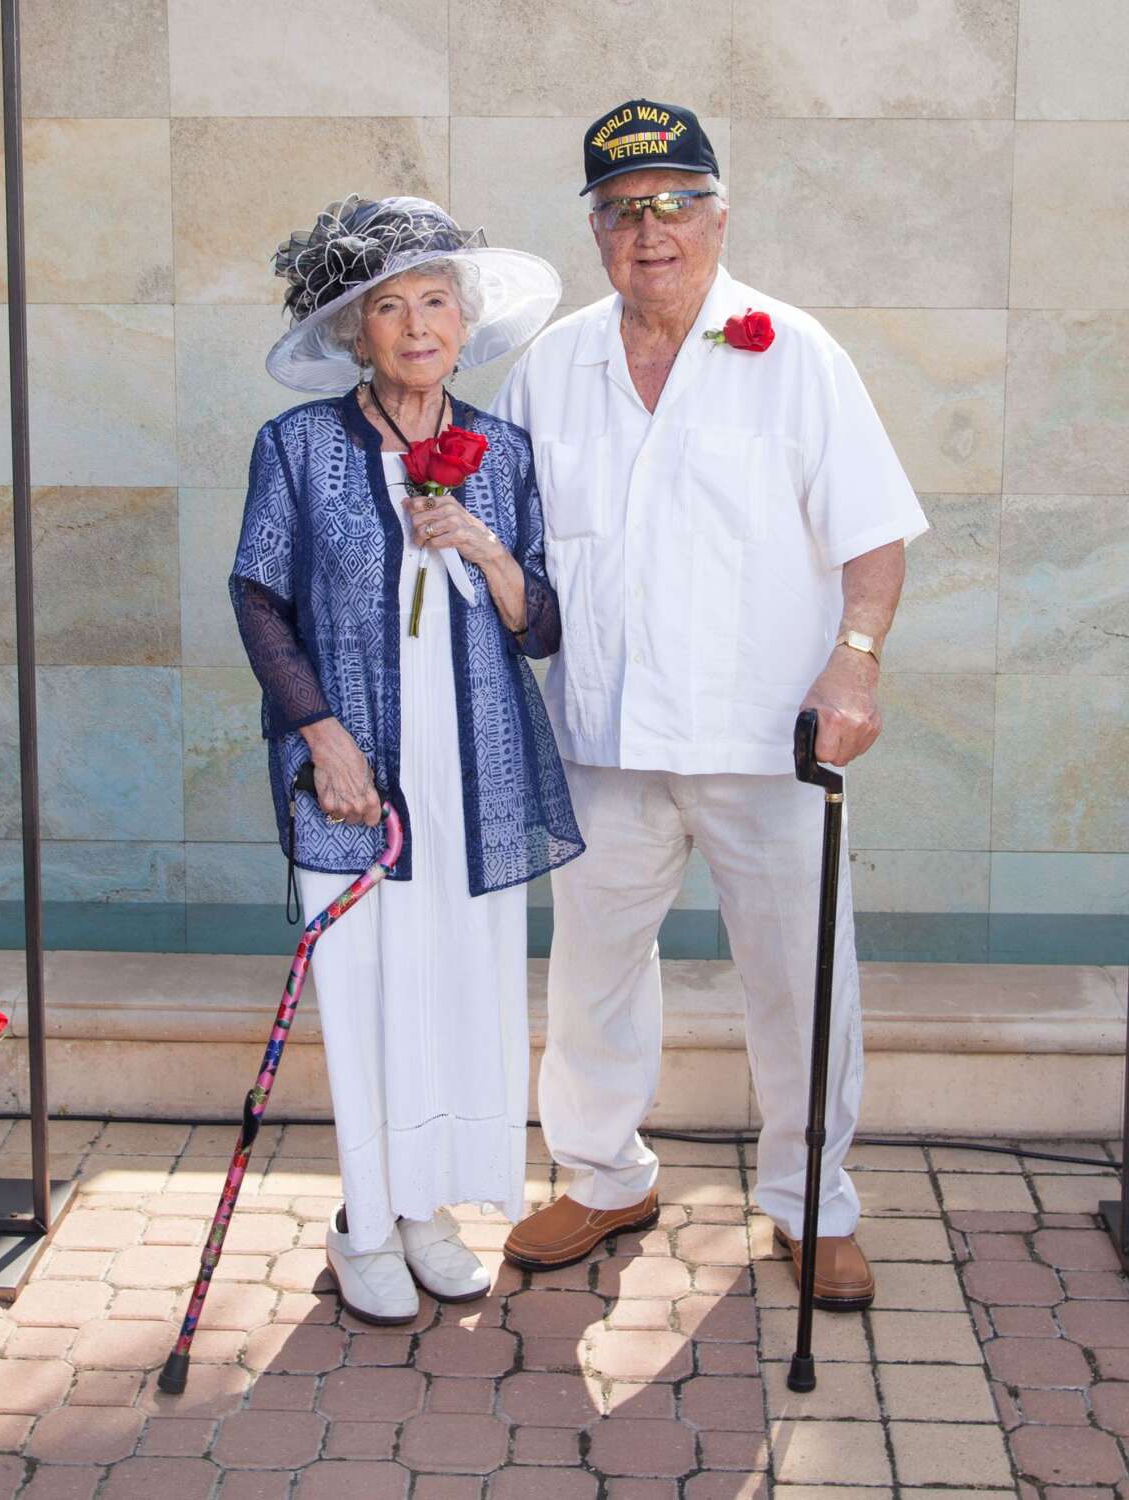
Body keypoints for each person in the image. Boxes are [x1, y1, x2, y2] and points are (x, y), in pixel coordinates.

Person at [492, 100, 927, 1308]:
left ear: (720, 215)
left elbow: (874, 537)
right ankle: (601, 1173)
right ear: (595, 231)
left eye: (677, 201)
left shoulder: (795, 351)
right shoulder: (554, 364)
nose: (652, 229)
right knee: (592, 970)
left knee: (799, 976)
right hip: (602, 738)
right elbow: (510, 553)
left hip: (765, 744)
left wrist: (856, 656)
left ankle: (811, 1203)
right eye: (625, 208)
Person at [230, 195, 583, 1325]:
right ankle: (363, 1221)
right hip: (358, 777)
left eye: (437, 300)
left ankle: (428, 1208)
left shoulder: (505, 451)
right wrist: (321, 736)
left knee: (457, 992)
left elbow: (540, 624)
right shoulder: (295, 447)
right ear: (355, 331)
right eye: (391, 306)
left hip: (469, 771)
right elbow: (258, 598)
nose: (418, 324)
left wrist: (477, 538)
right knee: (368, 994)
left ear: (463, 320)